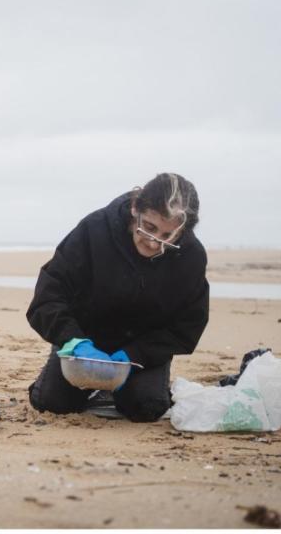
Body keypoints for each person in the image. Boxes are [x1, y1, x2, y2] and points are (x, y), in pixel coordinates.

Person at [26, 173, 209, 422]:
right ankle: (73, 380)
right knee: (53, 404)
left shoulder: (191, 257)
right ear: (136, 208)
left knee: (147, 407)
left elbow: (188, 326)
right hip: (83, 342)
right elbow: (48, 296)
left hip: (141, 352)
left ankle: (121, 391)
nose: (155, 244)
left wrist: (136, 355)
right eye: (150, 228)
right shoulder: (93, 230)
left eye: (168, 236)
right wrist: (73, 341)